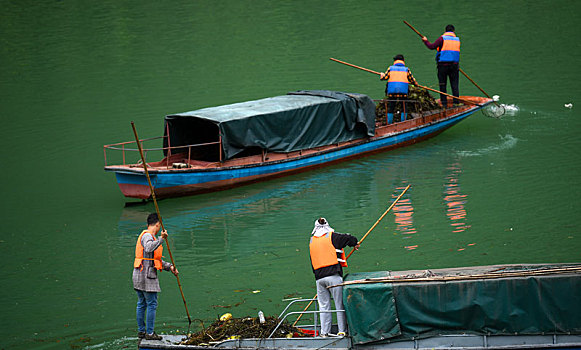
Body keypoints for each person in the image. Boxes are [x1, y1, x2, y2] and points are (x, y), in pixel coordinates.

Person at [309, 217, 359, 337]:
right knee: (339, 304)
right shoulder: (331, 236)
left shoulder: (312, 240)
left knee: (324, 306)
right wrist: (355, 243)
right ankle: (342, 331)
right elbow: (349, 238)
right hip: (333, 277)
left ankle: (324, 332)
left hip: (319, 279)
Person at [133, 213, 179, 340]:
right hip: (147, 277)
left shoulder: (146, 236)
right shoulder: (148, 236)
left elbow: (153, 259)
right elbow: (148, 248)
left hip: (138, 275)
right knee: (151, 304)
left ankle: (142, 331)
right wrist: (161, 238)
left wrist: (170, 267)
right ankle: (149, 333)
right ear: (157, 224)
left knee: (142, 303)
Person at [422, 24, 460, 108]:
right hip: (454, 66)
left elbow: (432, 46)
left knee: (443, 84)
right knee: (454, 84)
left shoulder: (442, 39)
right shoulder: (457, 40)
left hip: (443, 66)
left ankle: (444, 103)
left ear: (445, 31)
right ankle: (456, 102)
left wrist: (425, 41)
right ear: (453, 31)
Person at [380, 54, 418, 124]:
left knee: (391, 106)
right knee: (404, 107)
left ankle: (389, 123)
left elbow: (384, 78)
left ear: (395, 61)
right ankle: (403, 123)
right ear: (403, 61)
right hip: (403, 92)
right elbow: (412, 80)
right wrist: (416, 84)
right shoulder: (406, 70)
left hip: (392, 92)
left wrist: (381, 75)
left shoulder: (390, 68)